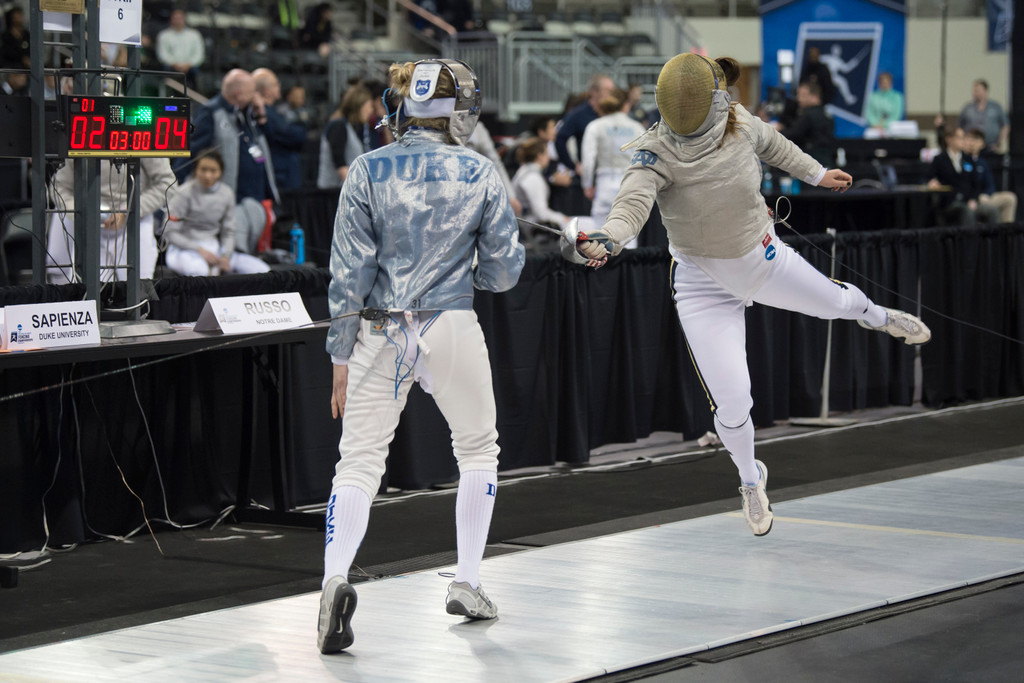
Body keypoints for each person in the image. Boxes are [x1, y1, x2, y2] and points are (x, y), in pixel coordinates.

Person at [572, 54, 931, 537]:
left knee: (836, 304)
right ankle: (750, 478)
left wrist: (818, 174)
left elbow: (779, 148)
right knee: (734, 400)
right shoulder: (654, 151)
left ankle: (878, 315)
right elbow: (632, 204)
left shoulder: (739, 121)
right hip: (701, 285)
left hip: (763, 260)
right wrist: (612, 238)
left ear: (713, 100)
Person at [319, 58, 524, 654]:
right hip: (451, 320)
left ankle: (334, 580)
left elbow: (347, 273)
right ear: (457, 109)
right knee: (478, 449)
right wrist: (476, 263)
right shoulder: (482, 171)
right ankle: (467, 580)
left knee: (357, 463)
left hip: (378, 327)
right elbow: (505, 273)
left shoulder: (366, 168)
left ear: (403, 103)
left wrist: (339, 351)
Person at [47, 158, 178, 284]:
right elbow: (59, 186)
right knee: (91, 291)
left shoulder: (142, 138)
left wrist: (129, 210)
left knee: (139, 291)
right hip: (91, 225)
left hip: (135, 220)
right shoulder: (80, 140)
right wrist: (80, 212)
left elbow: (167, 183)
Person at [164, 149, 271, 276]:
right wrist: (199, 250)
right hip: (182, 250)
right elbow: (170, 232)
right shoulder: (183, 193)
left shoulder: (226, 194)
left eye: (213, 171)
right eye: (203, 169)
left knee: (262, 269)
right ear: (196, 170)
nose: (208, 175)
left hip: (213, 248)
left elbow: (229, 231)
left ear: (220, 172)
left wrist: (226, 255)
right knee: (200, 271)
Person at [187, 69, 280, 204]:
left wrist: (261, 114)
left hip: (258, 199)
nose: (255, 96)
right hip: (230, 200)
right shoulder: (211, 114)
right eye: (252, 92)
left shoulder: (248, 113)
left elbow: (271, 138)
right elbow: (191, 153)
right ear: (238, 94)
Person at [580, 88, 645, 247]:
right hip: (630, 183)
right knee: (628, 234)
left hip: (605, 184)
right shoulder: (637, 127)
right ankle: (628, 271)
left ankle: (602, 270)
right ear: (626, 105)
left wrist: (587, 185)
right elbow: (645, 159)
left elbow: (588, 160)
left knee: (600, 238)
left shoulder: (595, 126)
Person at [926, 127, 995, 226]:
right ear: (949, 139)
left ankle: (995, 240)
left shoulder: (968, 159)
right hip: (950, 202)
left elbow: (975, 184)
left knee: (991, 210)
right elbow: (927, 177)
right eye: (960, 138)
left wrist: (973, 199)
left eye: (964, 138)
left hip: (969, 199)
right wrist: (932, 182)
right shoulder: (940, 159)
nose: (963, 141)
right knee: (966, 211)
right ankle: (969, 240)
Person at [253, 68, 307, 192]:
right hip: (279, 173)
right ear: (266, 90)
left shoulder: (274, 112)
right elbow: (294, 135)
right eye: (276, 84)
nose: (279, 87)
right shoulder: (266, 114)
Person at [512, 137, 569, 247]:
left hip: (526, 224)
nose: (549, 157)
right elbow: (541, 214)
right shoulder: (532, 177)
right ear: (540, 156)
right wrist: (562, 218)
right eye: (547, 153)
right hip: (532, 227)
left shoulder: (523, 171)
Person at [554, 73, 615, 175]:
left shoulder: (614, 115)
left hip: (611, 174)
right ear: (594, 92)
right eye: (608, 90)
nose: (612, 95)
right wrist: (573, 166)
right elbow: (560, 138)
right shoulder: (578, 114)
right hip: (588, 176)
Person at [317, 84, 374, 189]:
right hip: (332, 193)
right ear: (359, 106)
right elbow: (340, 164)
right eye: (369, 106)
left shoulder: (356, 128)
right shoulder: (338, 126)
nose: (371, 110)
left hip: (346, 190)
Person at [962, 128, 1016, 223]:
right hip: (974, 197)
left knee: (1010, 198)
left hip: (985, 196)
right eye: (969, 139)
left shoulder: (983, 162)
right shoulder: (963, 160)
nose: (972, 143)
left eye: (975, 140)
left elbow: (990, 184)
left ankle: (1007, 231)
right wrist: (977, 196)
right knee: (987, 205)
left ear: (982, 144)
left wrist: (987, 194)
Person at [778, 81, 836, 168]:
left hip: (812, 164)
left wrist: (778, 131)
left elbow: (793, 134)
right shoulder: (827, 115)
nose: (799, 99)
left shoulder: (808, 115)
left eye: (803, 95)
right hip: (827, 162)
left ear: (814, 96)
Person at [155, 9, 205, 89]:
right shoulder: (163, 35)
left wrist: (188, 64)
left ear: (184, 19)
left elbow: (199, 55)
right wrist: (175, 64)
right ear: (171, 20)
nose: (178, 21)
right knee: (165, 69)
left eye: (180, 18)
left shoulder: (195, 35)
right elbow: (163, 55)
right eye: (175, 18)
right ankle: (167, 96)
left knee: (196, 72)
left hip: (190, 66)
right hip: (171, 66)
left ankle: (195, 99)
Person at [958, 79, 1009, 154]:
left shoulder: (995, 107)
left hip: (992, 147)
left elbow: (1005, 126)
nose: (975, 93)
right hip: (971, 148)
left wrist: (1000, 142)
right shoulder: (967, 108)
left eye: (978, 90)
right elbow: (960, 127)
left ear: (985, 91)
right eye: (974, 91)